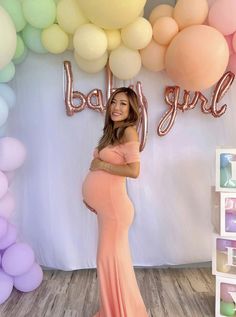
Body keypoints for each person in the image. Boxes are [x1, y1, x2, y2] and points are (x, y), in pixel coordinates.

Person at [82, 87, 148, 317]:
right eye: (114, 102)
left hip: (116, 211)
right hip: (107, 210)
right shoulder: (112, 132)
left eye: (123, 104)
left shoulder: (129, 131)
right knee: (111, 262)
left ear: (131, 110)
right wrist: (91, 199)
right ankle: (116, 310)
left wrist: (102, 166)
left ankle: (120, 313)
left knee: (110, 262)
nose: (116, 108)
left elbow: (134, 170)